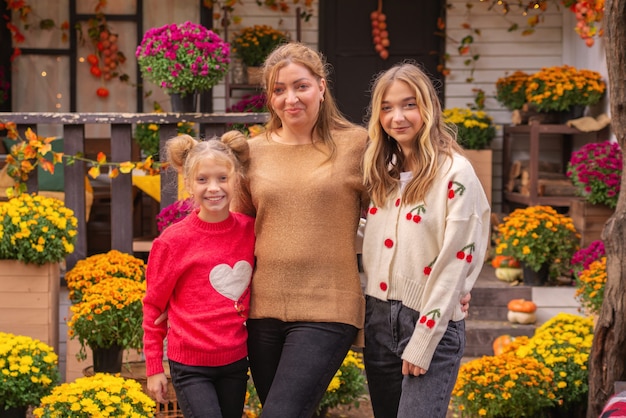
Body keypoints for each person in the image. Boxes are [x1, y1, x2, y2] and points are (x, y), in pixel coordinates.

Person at [231, 42, 370, 418]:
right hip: (263, 309)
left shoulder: (358, 144)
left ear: (322, 87)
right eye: (279, 90)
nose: (290, 98)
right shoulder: (253, 152)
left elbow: (395, 215)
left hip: (329, 305)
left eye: (301, 86)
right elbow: (234, 230)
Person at [361, 62, 491, 418]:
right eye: (386, 107)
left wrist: (424, 339)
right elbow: (378, 237)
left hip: (428, 320)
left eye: (408, 104)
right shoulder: (384, 172)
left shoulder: (456, 173)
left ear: (428, 108)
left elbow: (456, 259)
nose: (397, 117)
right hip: (378, 317)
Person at [142, 131, 255, 418]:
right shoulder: (172, 241)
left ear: (236, 179)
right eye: (203, 179)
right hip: (190, 365)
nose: (213, 188)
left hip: (235, 361)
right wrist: (154, 367)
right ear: (189, 184)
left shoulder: (250, 231)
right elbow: (154, 306)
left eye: (222, 178)